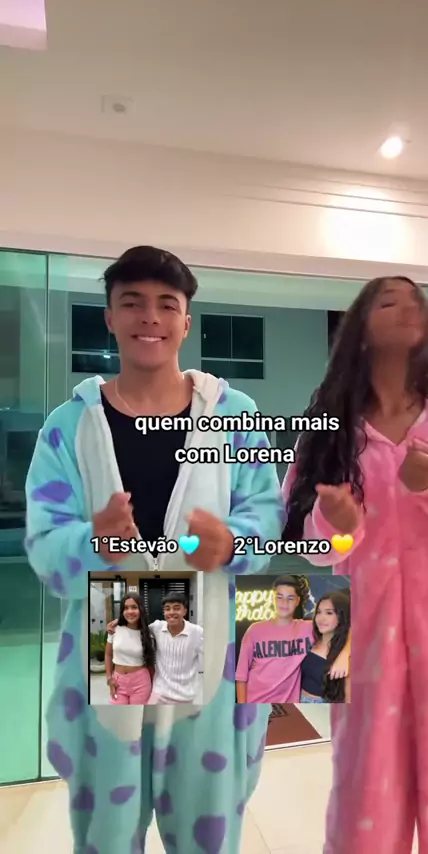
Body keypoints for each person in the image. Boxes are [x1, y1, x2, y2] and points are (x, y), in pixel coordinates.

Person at [25, 245, 284, 854]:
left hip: (208, 630)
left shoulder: (235, 415)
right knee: (109, 829)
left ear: (186, 322)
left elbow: (267, 514)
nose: (150, 317)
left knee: (206, 822)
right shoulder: (69, 426)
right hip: (111, 623)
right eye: (132, 303)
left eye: (167, 305)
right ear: (110, 318)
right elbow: (44, 541)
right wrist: (96, 543)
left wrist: (233, 543)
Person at [282, 275, 428, 854]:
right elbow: (309, 546)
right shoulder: (329, 433)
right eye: (389, 300)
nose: (408, 306)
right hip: (363, 653)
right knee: (365, 807)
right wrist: (337, 526)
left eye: (416, 299)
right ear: (360, 329)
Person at [235, 575, 350, 703]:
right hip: (256, 703)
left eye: (290, 598)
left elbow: (350, 627)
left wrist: (345, 654)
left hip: (291, 705)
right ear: (273, 598)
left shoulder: (310, 628)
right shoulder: (255, 630)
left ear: (297, 601)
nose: (284, 603)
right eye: (279, 597)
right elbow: (241, 676)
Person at [108, 592, 204, 705]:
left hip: (185, 697)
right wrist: (118, 621)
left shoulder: (197, 632)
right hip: (159, 693)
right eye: (167, 609)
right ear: (163, 612)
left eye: (176, 608)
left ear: (185, 611)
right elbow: (135, 624)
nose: (171, 612)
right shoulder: (157, 628)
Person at [300, 590, 351, 704]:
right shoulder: (310, 636)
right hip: (294, 700)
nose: (321, 618)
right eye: (319, 612)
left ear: (341, 616)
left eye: (329, 613)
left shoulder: (344, 655)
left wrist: (345, 654)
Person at [105, 593, 156, 705]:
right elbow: (108, 654)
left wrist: (154, 686)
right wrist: (109, 678)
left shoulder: (148, 633)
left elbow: (150, 663)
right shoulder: (114, 629)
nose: (130, 611)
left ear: (141, 609)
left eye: (134, 607)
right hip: (118, 682)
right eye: (126, 608)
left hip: (141, 682)